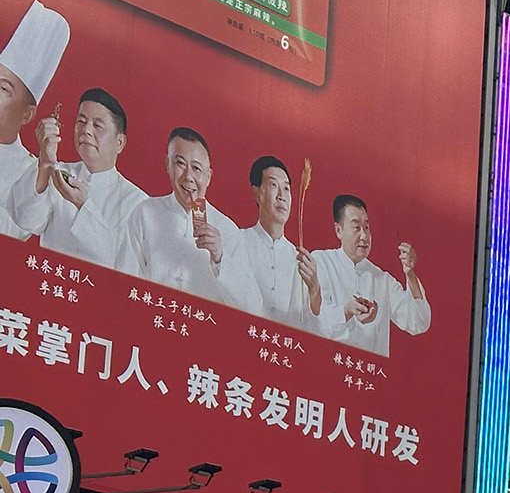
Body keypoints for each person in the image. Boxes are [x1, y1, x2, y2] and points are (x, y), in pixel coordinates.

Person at [117, 127, 260, 306]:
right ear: (167, 164)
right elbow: (123, 281)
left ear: (208, 177)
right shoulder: (144, 213)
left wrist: (220, 257)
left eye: (196, 168)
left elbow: (252, 306)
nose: (188, 176)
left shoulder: (228, 230)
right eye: (180, 164)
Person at [9, 86, 147, 264]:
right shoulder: (58, 171)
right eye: (81, 121)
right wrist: (45, 162)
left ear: (119, 142)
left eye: (97, 125)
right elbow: (26, 222)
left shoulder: (137, 202)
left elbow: (125, 261)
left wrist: (83, 205)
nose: (86, 130)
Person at [311, 193, 430, 355]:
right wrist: (347, 311)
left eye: (367, 227)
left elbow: (418, 322)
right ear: (338, 230)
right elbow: (315, 320)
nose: (364, 236)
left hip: (369, 374)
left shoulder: (382, 279)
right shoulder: (321, 262)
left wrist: (410, 275)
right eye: (356, 227)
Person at [224, 154, 324, 329]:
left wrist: (314, 290)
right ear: (256, 193)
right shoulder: (238, 240)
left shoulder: (300, 261)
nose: (281, 196)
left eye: (286, 189)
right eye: (273, 186)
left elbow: (313, 326)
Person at [0, 1, 70, 241]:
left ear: (27, 115)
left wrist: (44, 164)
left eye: (2, 88)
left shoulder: (27, 170)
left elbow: (28, 223)